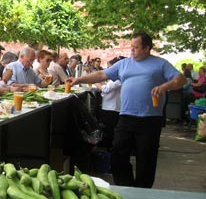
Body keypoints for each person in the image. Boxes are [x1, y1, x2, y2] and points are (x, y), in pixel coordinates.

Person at [69, 31, 186, 188]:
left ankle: (143, 190)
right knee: (117, 153)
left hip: (150, 119)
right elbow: (102, 74)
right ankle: (126, 185)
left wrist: (165, 86)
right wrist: (78, 79)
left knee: (146, 157)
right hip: (126, 117)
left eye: (136, 47)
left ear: (147, 48)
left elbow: (180, 79)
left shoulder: (160, 64)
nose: (132, 50)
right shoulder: (124, 64)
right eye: (131, 47)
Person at [95, 56, 125, 149]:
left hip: (112, 107)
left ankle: (108, 149)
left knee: (110, 130)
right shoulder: (116, 78)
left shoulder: (119, 78)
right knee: (108, 129)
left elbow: (106, 89)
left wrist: (96, 82)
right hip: (109, 105)